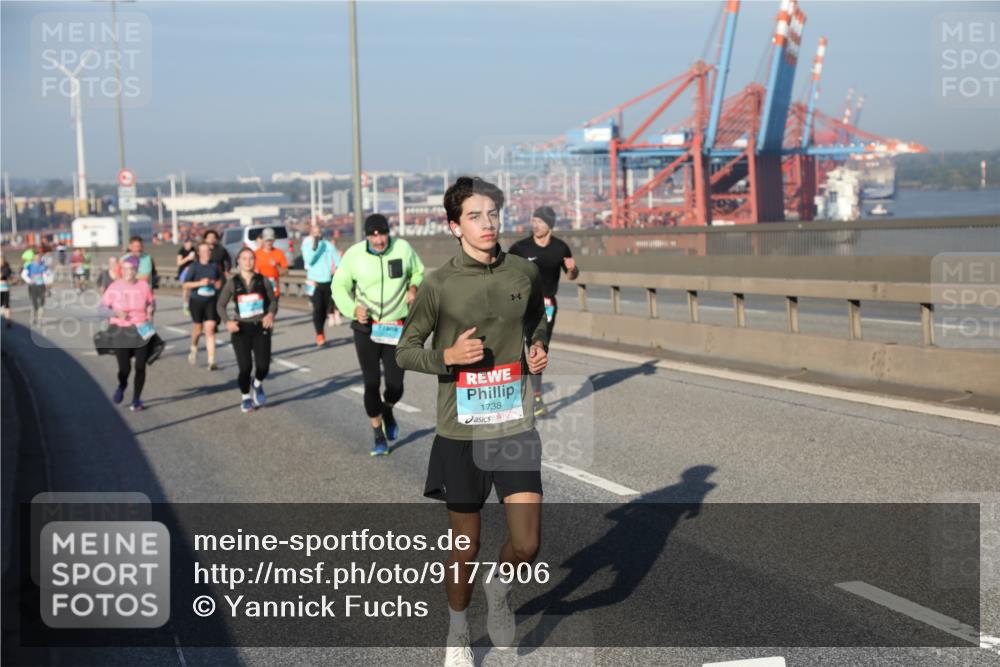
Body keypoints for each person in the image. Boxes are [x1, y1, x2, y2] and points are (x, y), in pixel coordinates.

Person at [395, 177, 548, 665]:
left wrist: (538, 346)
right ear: (455, 226)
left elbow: (538, 318)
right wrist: (450, 356)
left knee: (527, 543)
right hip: (461, 433)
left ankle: (498, 590)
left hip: (514, 425)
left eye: (492, 215)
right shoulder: (438, 284)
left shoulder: (523, 271)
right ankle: (458, 630)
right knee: (467, 544)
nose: (487, 224)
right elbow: (404, 351)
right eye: (475, 217)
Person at [333, 213, 425, 456]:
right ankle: (378, 434)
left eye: (382, 234)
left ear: (388, 233)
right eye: (374, 236)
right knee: (371, 382)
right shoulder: (354, 255)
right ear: (367, 236)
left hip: (396, 325)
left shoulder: (403, 248)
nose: (379, 240)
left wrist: (414, 287)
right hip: (367, 327)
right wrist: (353, 309)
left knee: (395, 384)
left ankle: (387, 409)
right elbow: (338, 286)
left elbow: (418, 271)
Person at [508, 205, 579, 416]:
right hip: (520, 302)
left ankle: (536, 397)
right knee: (515, 347)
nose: (535, 225)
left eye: (539, 221)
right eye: (534, 221)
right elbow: (505, 273)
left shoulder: (560, 248)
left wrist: (573, 269)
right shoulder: (520, 248)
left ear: (549, 225)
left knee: (538, 347)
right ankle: (517, 390)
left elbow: (571, 275)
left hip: (547, 304)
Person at [216, 247, 278, 413]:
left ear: (254, 261)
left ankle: (256, 384)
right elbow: (220, 305)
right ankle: (245, 398)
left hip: (260, 327)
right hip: (240, 328)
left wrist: (270, 314)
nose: (248, 261)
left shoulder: (262, 280)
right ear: (238, 261)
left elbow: (273, 301)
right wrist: (227, 321)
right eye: (244, 258)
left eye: (251, 258)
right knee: (245, 368)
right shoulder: (232, 282)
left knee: (263, 366)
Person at [99, 256, 156, 411]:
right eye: (124, 269)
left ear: (136, 270)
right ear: (121, 270)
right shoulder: (114, 286)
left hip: (141, 329)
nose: (128, 272)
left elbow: (151, 302)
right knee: (125, 369)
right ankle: (122, 385)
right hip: (121, 330)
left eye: (131, 268)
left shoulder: (144, 286)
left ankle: (136, 399)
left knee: (140, 366)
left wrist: (150, 309)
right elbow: (101, 308)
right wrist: (116, 312)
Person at [183, 241, 222, 370]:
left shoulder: (215, 266)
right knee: (198, 329)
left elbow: (220, 281)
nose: (207, 253)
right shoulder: (194, 267)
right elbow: (185, 284)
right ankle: (194, 348)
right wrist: (200, 283)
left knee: (210, 328)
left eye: (208, 251)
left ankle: (212, 361)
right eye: (204, 251)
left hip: (211, 301)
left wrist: (218, 284)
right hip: (196, 301)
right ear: (199, 253)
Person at [301, 223, 342, 346]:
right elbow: (309, 260)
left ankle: (321, 329)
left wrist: (339, 271)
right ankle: (319, 333)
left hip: (327, 280)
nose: (317, 235)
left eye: (318, 232)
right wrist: (315, 248)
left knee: (324, 309)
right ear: (311, 234)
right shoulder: (307, 246)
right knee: (317, 308)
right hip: (313, 281)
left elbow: (337, 260)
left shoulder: (328, 245)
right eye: (314, 233)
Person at [253, 228, 288, 303]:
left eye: (270, 240)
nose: (269, 243)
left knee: (272, 312)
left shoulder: (279, 253)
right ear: (262, 240)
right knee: (263, 313)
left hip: (273, 290)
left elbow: (286, 272)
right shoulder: (255, 254)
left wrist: (276, 266)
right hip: (259, 289)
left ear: (274, 240)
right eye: (266, 240)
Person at [20, 251, 51, 325]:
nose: (38, 259)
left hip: (42, 286)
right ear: (33, 258)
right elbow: (23, 274)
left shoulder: (44, 266)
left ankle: (40, 318)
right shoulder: (29, 266)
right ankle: (33, 317)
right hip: (33, 286)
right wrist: (29, 281)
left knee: (42, 302)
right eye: (36, 258)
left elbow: (47, 275)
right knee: (34, 302)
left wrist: (48, 283)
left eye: (39, 257)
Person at [176, 238, 196, 316]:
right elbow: (179, 263)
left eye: (190, 244)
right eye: (188, 244)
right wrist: (187, 258)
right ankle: (185, 305)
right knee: (186, 289)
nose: (189, 246)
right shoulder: (181, 251)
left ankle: (192, 304)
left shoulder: (193, 250)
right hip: (184, 272)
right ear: (185, 244)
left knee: (193, 289)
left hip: (192, 271)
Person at [1, 255, 13, 328]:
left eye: (1, 260)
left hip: (4, 289)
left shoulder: (6, 268)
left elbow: (3, 276)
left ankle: (8, 321)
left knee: (6, 305)